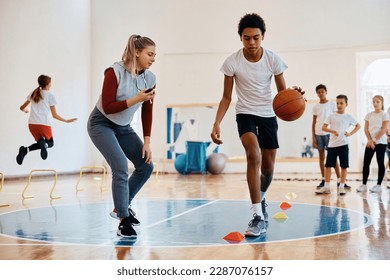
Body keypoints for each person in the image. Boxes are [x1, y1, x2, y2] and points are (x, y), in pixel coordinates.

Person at [210, 13, 304, 237]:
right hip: (245, 114)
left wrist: (295, 96)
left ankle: (261, 199)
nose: (251, 43)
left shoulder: (273, 59)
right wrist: (216, 123)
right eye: (246, 38)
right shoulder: (232, 62)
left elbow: (283, 94)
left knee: (268, 170)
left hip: (268, 114)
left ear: (263, 37)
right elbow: (226, 97)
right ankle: (257, 216)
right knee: (254, 156)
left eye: (256, 38)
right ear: (240, 38)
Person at [87, 35, 156, 238]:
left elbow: (147, 110)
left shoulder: (150, 78)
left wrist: (147, 141)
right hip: (101, 123)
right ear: (136, 52)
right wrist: (137, 98)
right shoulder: (113, 72)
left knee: (146, 166)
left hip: (123, 126)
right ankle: (123, 221)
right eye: (149, 54)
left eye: (155, 55)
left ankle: (122, 206)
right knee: (120, 165)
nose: (153, 59)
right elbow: (108, 107)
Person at [16, 75, 77, 165]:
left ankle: (25, 150)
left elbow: (21, 107)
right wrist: (66, 120)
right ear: (48, 84)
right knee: (50, 143)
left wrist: (25, 111)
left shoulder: (33, 93)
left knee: (41, 141)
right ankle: (43, 145)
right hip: (44, 124)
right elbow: (55, 115)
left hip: (32, 124)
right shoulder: (50, 96)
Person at [316, 95, 360, 195]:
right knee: (328, 166)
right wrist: (332, 130)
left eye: (341, 103)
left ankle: (341, 187)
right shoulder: (331, 116)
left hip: (343, 145)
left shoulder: (348, 117)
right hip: (332, 145)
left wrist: (350, 133)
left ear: (346, 104)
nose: (339, 105)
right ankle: (326, 187)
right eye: (337, 103)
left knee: (344, 166)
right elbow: (323, 127)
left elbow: (358, 126)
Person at [312, 84, 347, 188]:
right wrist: (313, 137)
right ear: (317, 94)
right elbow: (313, 123)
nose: (321, 93)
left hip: (330, 134)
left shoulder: (332, 105)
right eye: (318, 92)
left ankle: (340, 179)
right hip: (319, 134)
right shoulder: (315, 107)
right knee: (321, 157)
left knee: (333, 157)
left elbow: (337, 117)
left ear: (326, 92)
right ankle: (324, 179)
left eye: (322, 91)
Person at [356, 95, 389, 193]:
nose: (375, 103)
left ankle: (378, 185)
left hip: (381, 142)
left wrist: (374, 140)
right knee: (366, 163)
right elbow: (366, 129)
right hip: (370, 142)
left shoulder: (384, 115)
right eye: (373, 102)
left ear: (382, 103)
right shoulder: (369, 115)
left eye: (377, 102)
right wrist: (370, 140)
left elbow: (383, 129)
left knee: (380, 162)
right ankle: (364, 184)